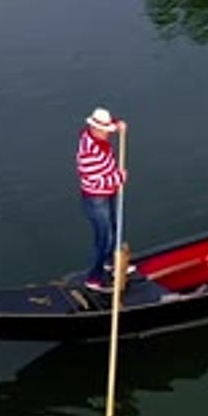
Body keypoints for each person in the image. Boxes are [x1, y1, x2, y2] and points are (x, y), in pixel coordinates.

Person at [77, 107, 129, 291]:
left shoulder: (97, 136)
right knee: (104, 238)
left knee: (114, 226)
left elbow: (112, 125)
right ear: (95, 129)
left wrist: (119, 125)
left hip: (108, 193)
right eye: (106, 131)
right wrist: (119, 178)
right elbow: (93, 179)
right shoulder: (89, 153)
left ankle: (110, 263)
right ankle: (94, 278)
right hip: (96, 197)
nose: (109, 134)